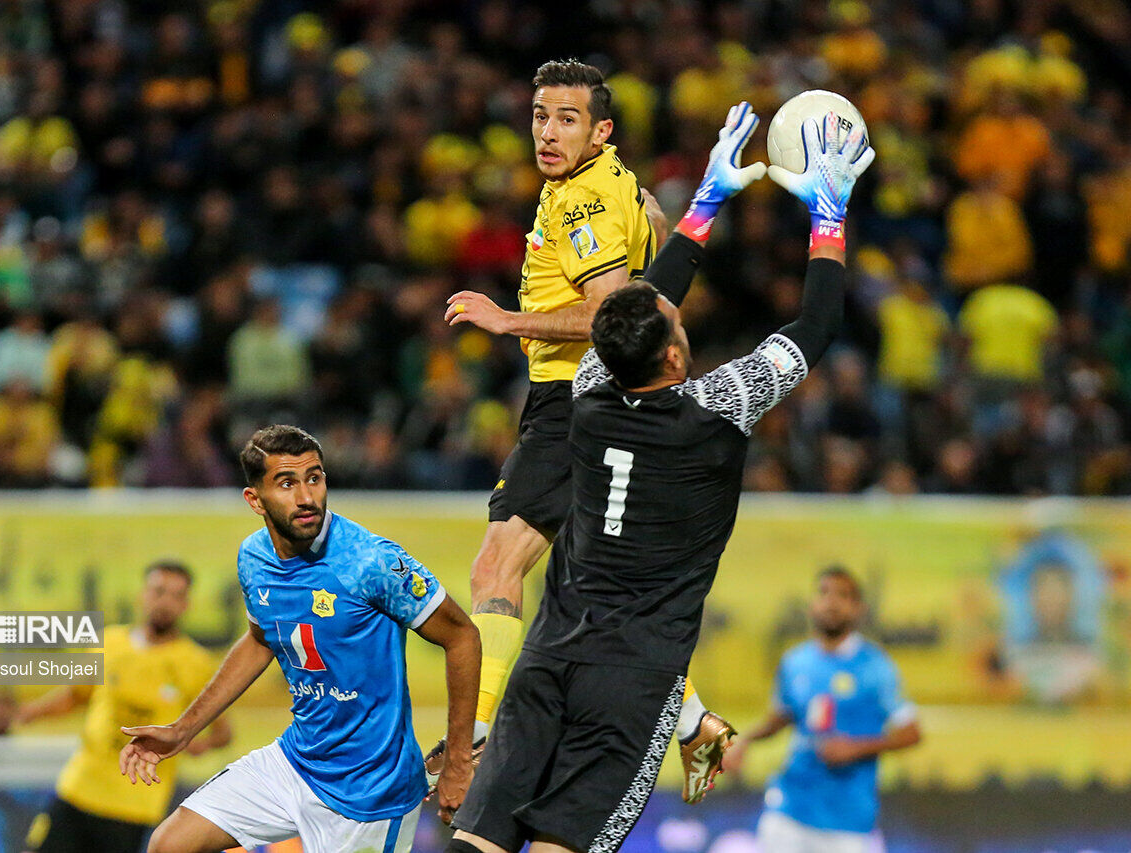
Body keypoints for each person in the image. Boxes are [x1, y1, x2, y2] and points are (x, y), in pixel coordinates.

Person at [448, 103, 872, 853]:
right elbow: (815, 326)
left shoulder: (585, 392)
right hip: (634, 684)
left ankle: (691, 719)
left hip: (549, 660)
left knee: (478, 841)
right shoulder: (721, 406)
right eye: (678, 326)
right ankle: (694, 718)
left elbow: (641, 307)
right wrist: (829, 214)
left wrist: (705, 202)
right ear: (675, 357)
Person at [438, 57, 740, 798]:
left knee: (496, 570)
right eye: (541, 115)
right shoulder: (618, 185)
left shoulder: (581, 203)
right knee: (590, 592)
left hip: (571, 402)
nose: (547, 131)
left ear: (600, 128)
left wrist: (509, 320)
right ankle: (695, 720)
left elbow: (613, 313)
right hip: (602, 403)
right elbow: (654, 270)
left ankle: (468, 740)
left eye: (566, 118)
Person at [117, 424, 481, 853]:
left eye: (315, 477)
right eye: (287, 483)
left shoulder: (371, 561)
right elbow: (259, 639)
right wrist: (184, 730)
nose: (307, 497)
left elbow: (463, 637)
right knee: (168, 845)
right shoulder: (253, 557)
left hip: (371, 794)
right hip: (296, 762)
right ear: (255, 499)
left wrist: (457, 760)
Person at [19, 560, 230, 853]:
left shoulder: (196, 664)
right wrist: (31, 712)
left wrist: (195, 743)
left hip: (134, 805)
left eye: (176, 595)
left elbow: (223, 733)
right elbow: (75, 696)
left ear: (186, 604)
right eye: (158, 591)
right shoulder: (110, 642)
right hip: (78, 788)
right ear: (142, 595)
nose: (165, 602)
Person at [724, 568, 922, 853]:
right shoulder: (796, 662)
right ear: (812, 604)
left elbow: (911, 733)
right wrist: (746, 740)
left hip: (848, 821)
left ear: (859, 609)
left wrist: (854, 749)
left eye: (843, 595)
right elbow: (783, 715)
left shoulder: (876, 666)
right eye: (824, 592)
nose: (831, 602)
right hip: (790, 810)